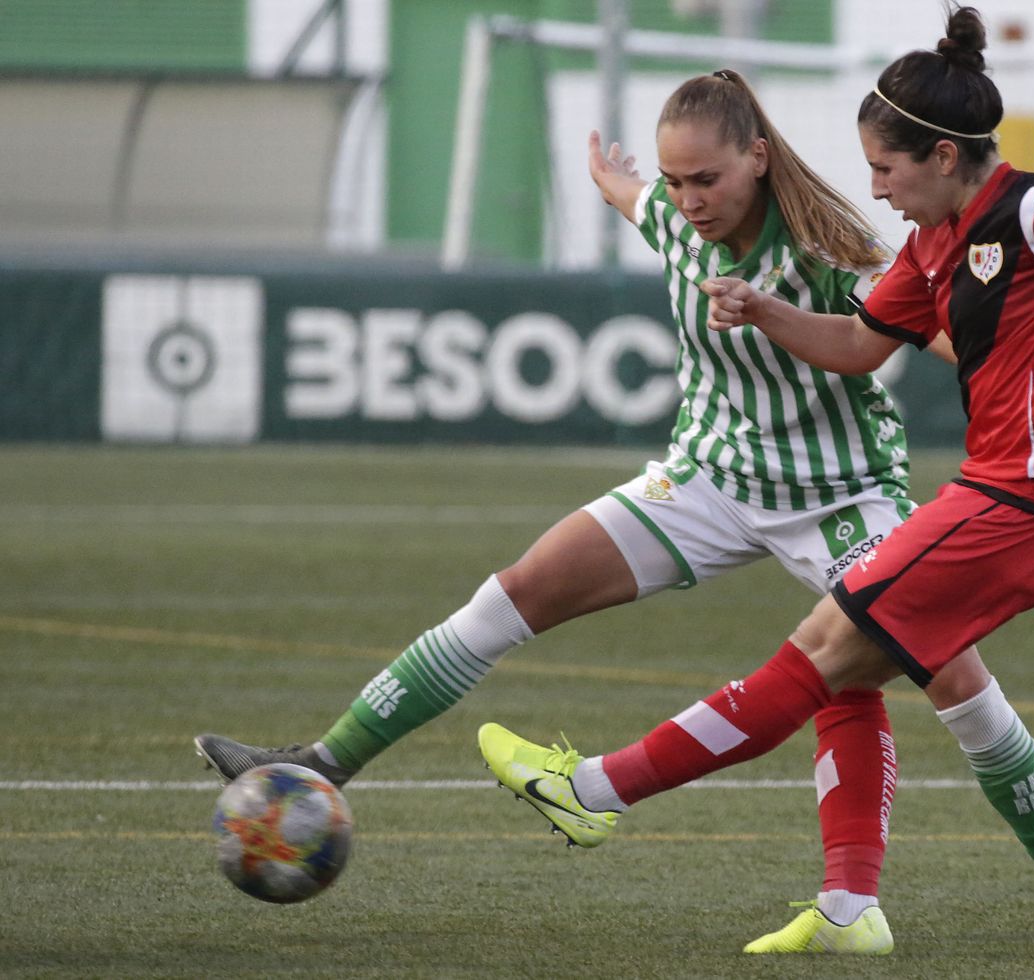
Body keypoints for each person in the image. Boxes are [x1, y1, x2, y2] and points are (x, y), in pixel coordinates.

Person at [195, 68, 991, 954]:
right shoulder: (675, 218)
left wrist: (1023, 367)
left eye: (706, 180)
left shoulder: (838, 253)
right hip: (708, 481)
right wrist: (614, 178)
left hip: (839, 494)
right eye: (674, 181)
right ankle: (322, 762)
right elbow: (635, 198)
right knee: (516, 590)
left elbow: (953, 336)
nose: (687, 200)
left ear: (759, 159)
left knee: (947, 679)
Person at [477, 6, 1034, 947]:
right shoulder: (932, 244)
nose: (874, 188)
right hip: (1001, 504)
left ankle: (593, 790)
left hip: (1019, 509)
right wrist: (763, 308)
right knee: (890, 685)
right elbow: (860, 346)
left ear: (944, 157)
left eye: (885, 169)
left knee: (819, 654)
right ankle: (1018, 903)